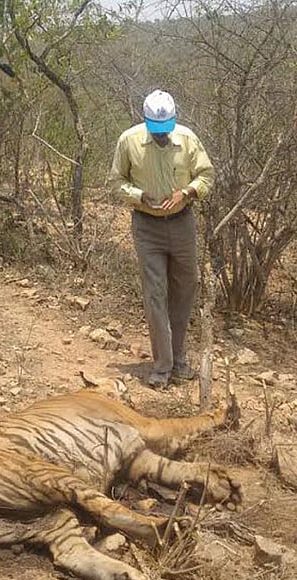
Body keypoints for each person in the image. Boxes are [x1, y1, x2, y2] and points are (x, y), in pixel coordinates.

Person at [109, 90, 215, 389]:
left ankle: (179, 359)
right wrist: (139, 196)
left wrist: (187, 192)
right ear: (145, 122)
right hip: (147, 226)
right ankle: (162, 366)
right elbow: (117, 181)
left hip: (182, 223)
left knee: (184, 290)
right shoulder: (128, 141)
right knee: (155, 294)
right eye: (156, 131)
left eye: (165, 130)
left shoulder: (188, 139)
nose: (161, 136)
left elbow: (206, 175)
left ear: (173, 121)